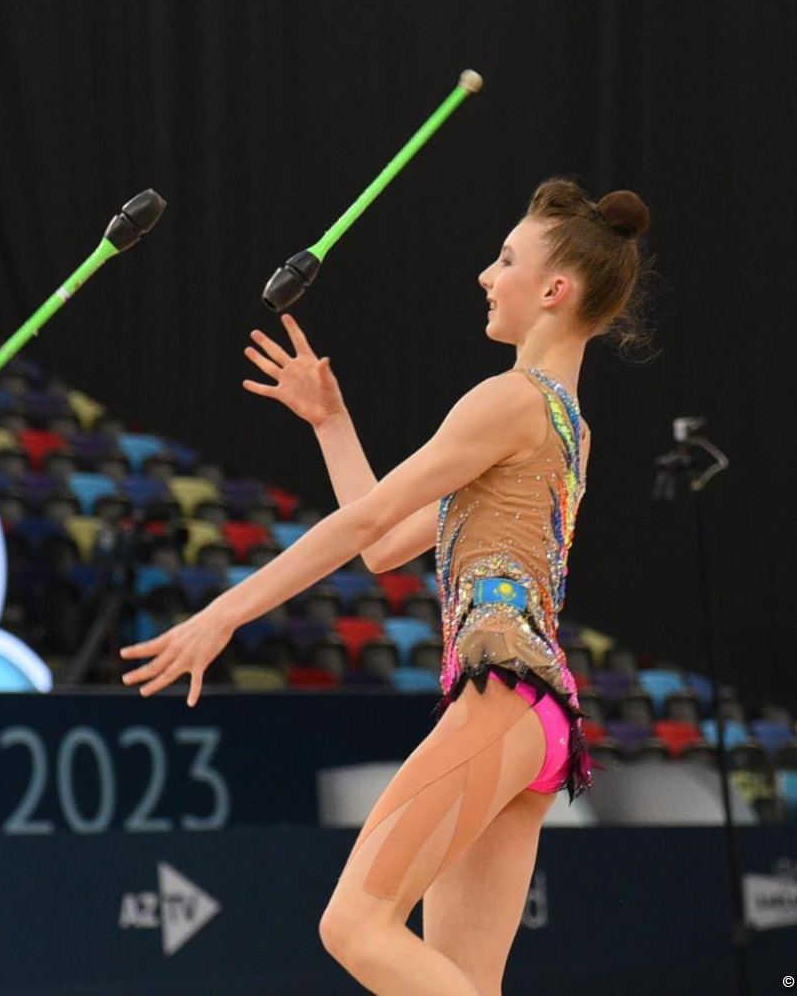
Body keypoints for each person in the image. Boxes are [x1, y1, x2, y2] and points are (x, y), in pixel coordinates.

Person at [121, 175, 652, 994]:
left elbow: (363, 528)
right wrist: (332, 423)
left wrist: (221, 614)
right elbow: (386, 542)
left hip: (501, 696)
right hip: (534, 716)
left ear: (553, 290)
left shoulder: (507, 400)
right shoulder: (562, 422)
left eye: (504, 258)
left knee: (355, 925)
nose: (485, 273)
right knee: (451, 978)